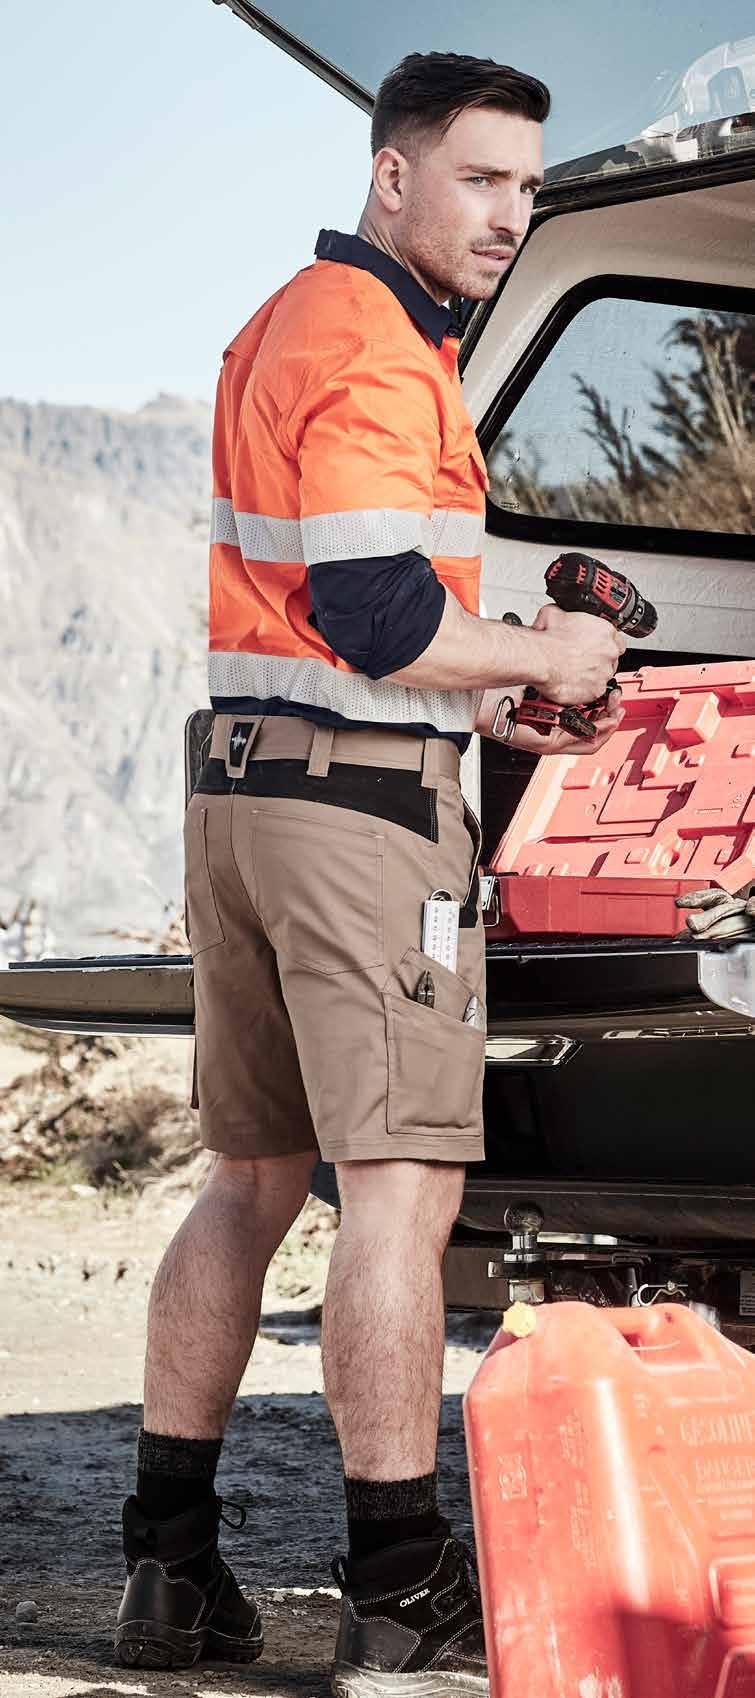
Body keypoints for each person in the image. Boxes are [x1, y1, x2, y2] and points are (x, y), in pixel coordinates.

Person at [115, 50, 625, 1692]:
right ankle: (402, 1583)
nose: (510, 213)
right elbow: (379, 610)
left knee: (250, 1177)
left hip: (243, 793)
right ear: (391, 175)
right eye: (481, 179)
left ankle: (168, 1568)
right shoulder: (375, 345)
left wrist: (492, 696)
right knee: (399, 1192)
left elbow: (326, 619)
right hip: (356, 823)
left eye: (527, 185)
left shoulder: (280, 324)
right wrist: (545, 650)